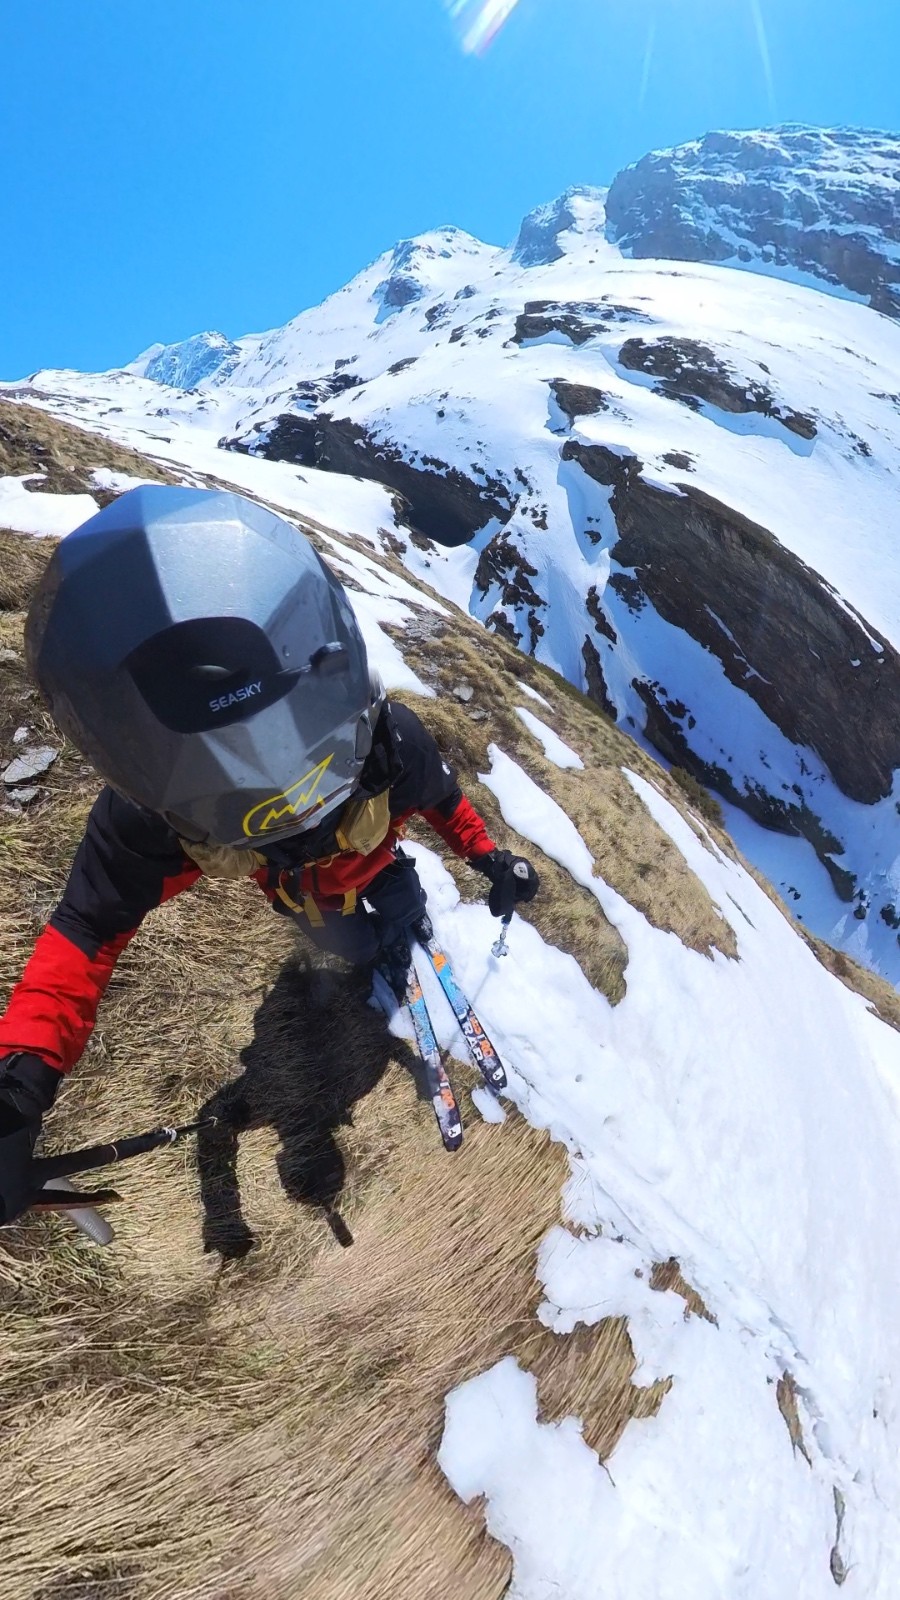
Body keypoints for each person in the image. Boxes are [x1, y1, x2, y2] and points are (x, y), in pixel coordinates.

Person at [0, 487, 539, 1225]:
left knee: (393, 908)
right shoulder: (378, 744)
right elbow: (84, 930)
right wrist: (16, 1089)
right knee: (355, 945)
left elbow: (86, 931)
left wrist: (488, 858)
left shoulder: (174, 809)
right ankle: (388, 948)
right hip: (321, 900)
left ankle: (400, 927)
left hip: (350, 878)